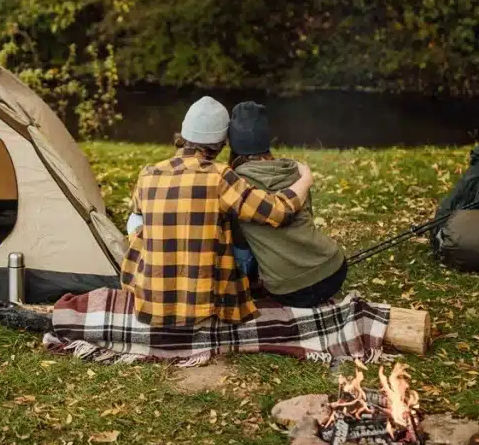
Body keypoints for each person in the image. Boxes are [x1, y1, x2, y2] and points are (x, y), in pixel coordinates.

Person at [120, 96, 315, 327]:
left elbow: (136, 218)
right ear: (222, 142)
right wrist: (306, 179)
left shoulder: (148, 173)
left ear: (183, 135)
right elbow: (278, 211)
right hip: (203, 309)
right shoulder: (220, 176)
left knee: (138, 222)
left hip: (150, 308)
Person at [227, 101, 348, 307]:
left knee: (239, 244)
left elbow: (240, 242)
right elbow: (307, 216)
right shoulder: (294, 170)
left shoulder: (236, 184)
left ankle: (246, 288)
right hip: (333, 269)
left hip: (289, 291)